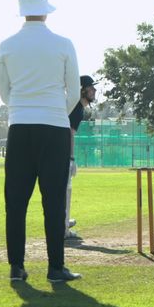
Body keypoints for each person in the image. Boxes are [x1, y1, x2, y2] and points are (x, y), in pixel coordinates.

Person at [0, 0, 81, 283]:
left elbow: (5, 92)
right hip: (54, 127)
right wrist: (56, 109)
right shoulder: (63, 44)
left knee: (16, 202)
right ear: (45, 10)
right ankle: (56, 268)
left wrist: (24, 108)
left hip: (19, 127)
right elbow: (74, 91)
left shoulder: (6, 45)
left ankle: (16, 267)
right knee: (54, 201)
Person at [65, 74, 97, 240]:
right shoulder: (76, 109)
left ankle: (63, 221)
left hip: (58, 152)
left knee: (66, 189)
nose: (94, 90)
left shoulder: (77, 107)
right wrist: (71, 158)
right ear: (81, 90)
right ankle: (63, 228)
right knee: (65, 189)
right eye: (90, 87)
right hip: (60, 153)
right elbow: (70, 133)